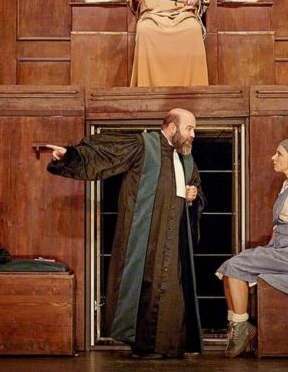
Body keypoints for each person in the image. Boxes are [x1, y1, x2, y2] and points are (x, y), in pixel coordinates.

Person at [46, 108, 205, 359]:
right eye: (189, 128)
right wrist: (71, 155)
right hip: (146, 234)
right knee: (145, 286)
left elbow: (194, 188)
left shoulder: (186, 158)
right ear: (172, 128)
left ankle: (171, 346)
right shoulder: (144, 145)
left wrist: (193, 195)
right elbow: (106, 155)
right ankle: (144, 347)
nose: (193, 134)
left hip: (174, 238)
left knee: (173, 289)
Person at [216, 136, 288, 358]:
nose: (273, 157)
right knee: (230, 269)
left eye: (279, 154)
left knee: (234, 266)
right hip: (282, 245)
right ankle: (238, 326)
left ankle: (242, 328)